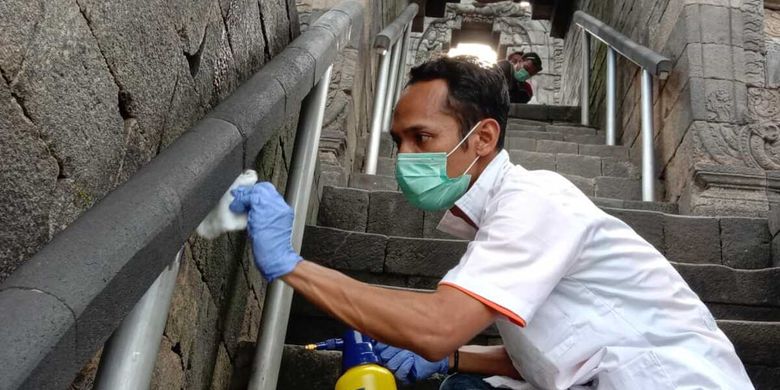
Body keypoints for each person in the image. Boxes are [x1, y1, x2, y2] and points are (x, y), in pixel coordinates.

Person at [230, 55, 754, 389]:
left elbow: (436, 327)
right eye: (397, 142)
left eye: (422, 137)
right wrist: (455, 360)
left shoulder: (535, 200)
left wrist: (291, 265)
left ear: (482, 138)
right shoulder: (502, 215)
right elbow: (558, 352)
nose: (404, 156)